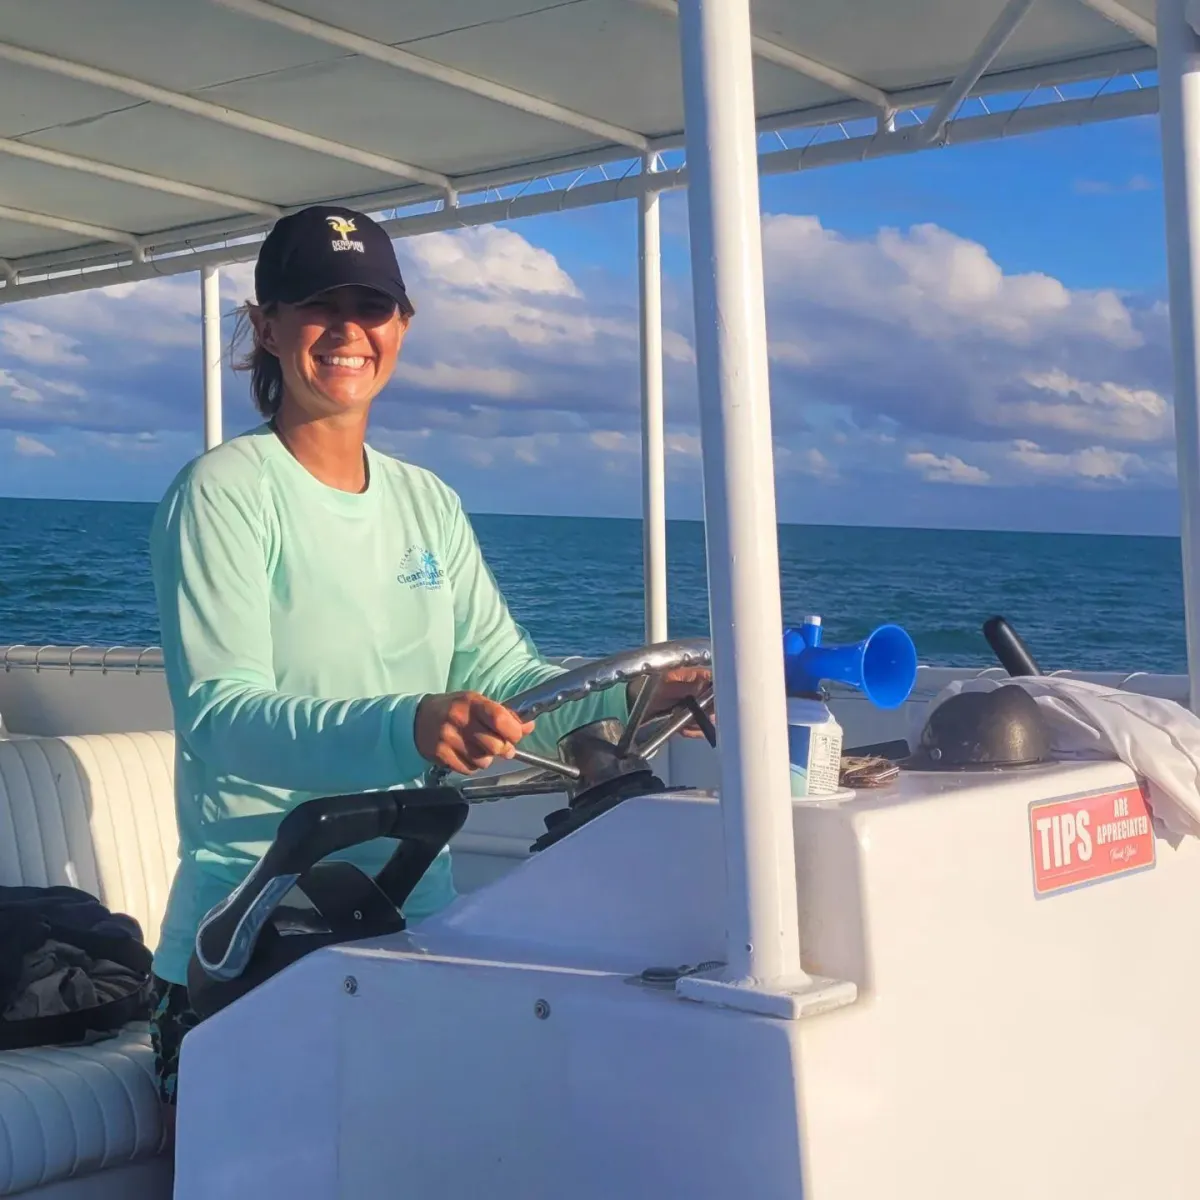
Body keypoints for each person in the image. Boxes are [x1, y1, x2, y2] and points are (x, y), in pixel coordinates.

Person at [146, 204, 710, 1119]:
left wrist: (652, 690)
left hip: (410, 928)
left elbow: (515, 689)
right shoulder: (223, 495)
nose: (348, 331)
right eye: (318, 305)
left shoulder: (429, 504)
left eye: (371, 306)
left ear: (401, 326)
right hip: (250, 943)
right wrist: (407, 723)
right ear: (268, 326)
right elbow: (223, 716)